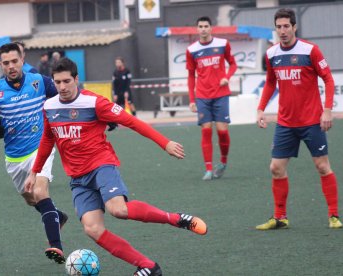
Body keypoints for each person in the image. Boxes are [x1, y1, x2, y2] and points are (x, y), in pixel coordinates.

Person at [24, 58, 208, 276]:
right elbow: (47, 140)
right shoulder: (49, 106)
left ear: (76, 79)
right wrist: (34, 172)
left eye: (66, 81)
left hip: (101, 165)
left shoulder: (95, 103)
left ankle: (176, 219)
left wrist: (164, 143)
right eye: (57, 82)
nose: (62, 87)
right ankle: (148, 266)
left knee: (118, 209)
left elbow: (132, 122)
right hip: (78, 178)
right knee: (92, 229)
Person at [0, 43, 68, 263]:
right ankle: (58, 216)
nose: (11, 66)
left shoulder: (39, 82)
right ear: (0, 64)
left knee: (40, 191)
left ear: (22, 59)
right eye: (6, 63)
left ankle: (56, 246)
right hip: (14, 157)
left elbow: (67, 94)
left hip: (41, 148)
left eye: (14, 61)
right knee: (30, 199)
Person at [255, 8, 343, 230]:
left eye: (286, 26)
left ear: (294, 27)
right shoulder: (272, 54)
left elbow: (328, 79)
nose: (282, 31)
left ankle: (333, 215)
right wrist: (260, 109)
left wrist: (327, 110)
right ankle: (280, 217)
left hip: (312, 121)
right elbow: (270, 83)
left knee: (322, 166)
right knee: (275, 168)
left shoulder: (310, 50)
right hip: (286, 122)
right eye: (279, 27)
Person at [186, 16, 237, 181]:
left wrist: (227, 77)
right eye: (200, 26)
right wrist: (192, 100)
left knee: (222, 131)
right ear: (197, 29)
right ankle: (208, 168)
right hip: (202, 96)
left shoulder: (222, 44)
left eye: (206, 26)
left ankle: (223, 162)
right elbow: (191, 76)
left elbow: (233, 64)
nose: (203, 29)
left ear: (211, 28)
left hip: (221, 95)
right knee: (206, 130)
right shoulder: (192, 50)